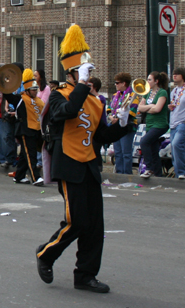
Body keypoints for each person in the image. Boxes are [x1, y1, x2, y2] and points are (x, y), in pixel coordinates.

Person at [35, 24, 136, 293]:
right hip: (68, 164)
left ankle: (85, 275)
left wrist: (124, 124)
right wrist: (79, 85)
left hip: (89, 165)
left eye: (90, 72)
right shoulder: (59, 95)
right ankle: (46, 254)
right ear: (72, 73)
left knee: (94, 226)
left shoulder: (96, 101)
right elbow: (65, 113)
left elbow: (101, 136)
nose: (90, 76)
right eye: (84, 72)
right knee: (76, 221)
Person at [4, 68, 45, 185]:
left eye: (36, 89)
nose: (35, 92)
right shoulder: (20, 99)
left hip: (36, 131)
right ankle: (36, 177)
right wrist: (4, 83)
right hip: (25, 130)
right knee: (30, 155)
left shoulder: (40, 101)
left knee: (24, 154)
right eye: (33, 90)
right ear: (27, 90)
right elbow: (8, 95)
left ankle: (19, 176)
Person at [137, 71, 169, 178]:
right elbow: (140, 108)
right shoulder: (147, 93)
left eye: (150, 79)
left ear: (156, 81)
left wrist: (148, 108)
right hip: (150, 124)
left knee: (144, 142)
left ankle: (149, 168)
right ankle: (158, 175)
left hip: (160, 124)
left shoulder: (162, 93)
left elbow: (158, 109)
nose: (147, 81)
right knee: (154, 149)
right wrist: (151, 106)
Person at [108, 73, 135, 174]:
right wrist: (111, 117)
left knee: (126, 153)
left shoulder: (132, 96)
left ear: (124, 83)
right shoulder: (115, 96)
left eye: (117, 83)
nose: (115, 85)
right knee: (118, 152)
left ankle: (127, 174)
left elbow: (132, 111)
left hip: (126, 127)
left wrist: (118, 119)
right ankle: (119, 173)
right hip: (116, 127)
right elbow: (110, 109)